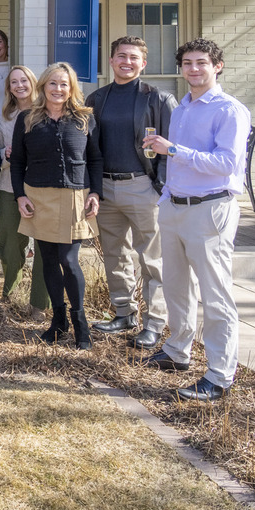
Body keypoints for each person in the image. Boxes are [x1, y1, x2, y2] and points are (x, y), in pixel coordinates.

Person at [141, 38, 250, 402]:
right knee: (175, 286)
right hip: (174, 206)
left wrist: (173, 149)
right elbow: (179, 161)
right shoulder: (183, 107)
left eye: (201, 62)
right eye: (187, 63)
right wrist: (167, 194)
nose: (194, 69)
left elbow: (226, 164)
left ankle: (220, 375)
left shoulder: (229, 110)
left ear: (217, 66)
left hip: (210, 210)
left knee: (215, 294)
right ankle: (177, 350)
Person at [88, 35, 176, 350]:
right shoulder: (97, 99)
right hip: (106, 188)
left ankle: (155, 324)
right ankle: (124, 313)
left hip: (144, 186)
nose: (127, 62)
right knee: (115, 256)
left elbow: (170, 150)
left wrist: (161, 188)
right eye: (121, 56)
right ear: (111, 61)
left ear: (143, 63)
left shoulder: (159, 99)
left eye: (133, 57)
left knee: (153, 260)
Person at [12, 63, 103, 350]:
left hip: (75, 195)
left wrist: (96, 193)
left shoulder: (84, 119)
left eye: (64, 84)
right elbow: (17, 162)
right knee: (48, 260)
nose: (58, 89)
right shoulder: (27, 118)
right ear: (43, 86)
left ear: (72, 87)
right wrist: (20, 196)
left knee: (69, 260)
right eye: (53, 83)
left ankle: (80, 324)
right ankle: (58, 321)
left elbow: (96, 160)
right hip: (38, 196)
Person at [0, 66, 50, 320]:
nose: (19, 85)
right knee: (8, 246)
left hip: (42, 189)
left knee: (44, 247)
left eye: (24, 80)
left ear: (33, 82)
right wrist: (5, 157)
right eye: (14, 82)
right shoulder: (4, 118)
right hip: (8, 187)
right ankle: (10, 296)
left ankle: (39, 304)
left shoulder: (47, 112)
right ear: (9, 88)